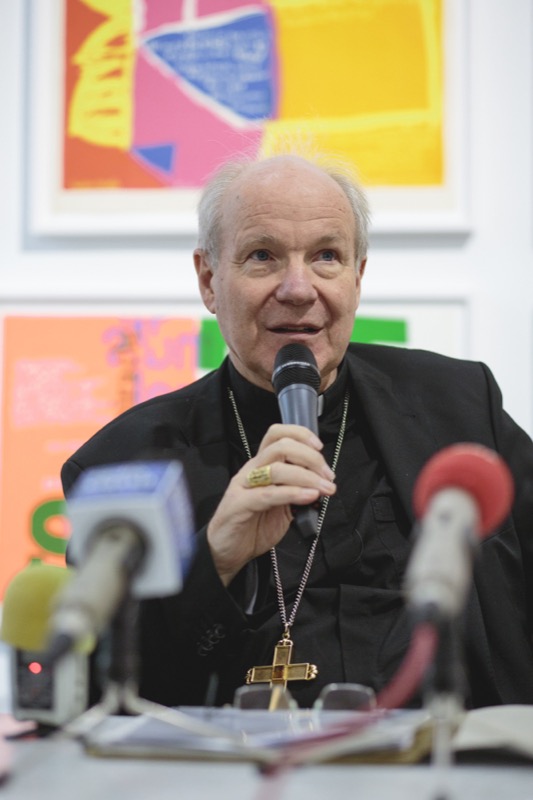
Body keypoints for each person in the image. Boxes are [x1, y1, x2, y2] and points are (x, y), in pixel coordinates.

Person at [61, 152, 533, 710]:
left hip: (453, 749)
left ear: (357, 277)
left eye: (326, 257)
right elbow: (98, 695)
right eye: (262, 256)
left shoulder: (458, 404)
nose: (297, 288)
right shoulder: (124, 461)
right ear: (209, 280)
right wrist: (215, 559)